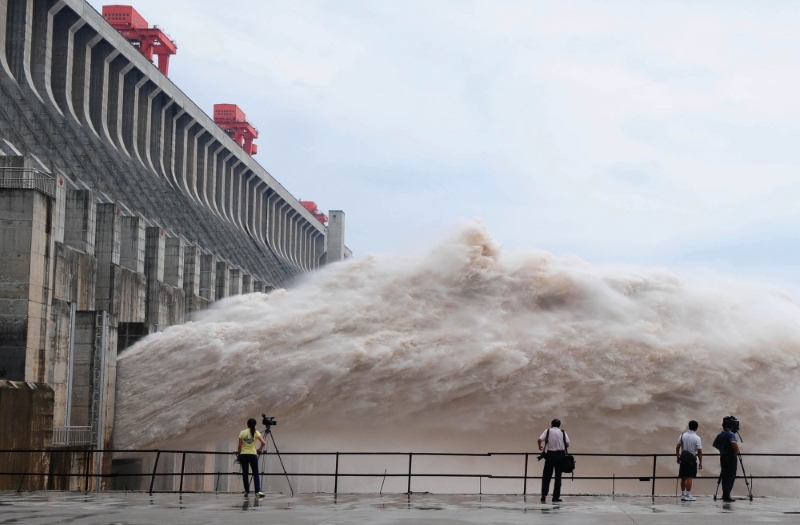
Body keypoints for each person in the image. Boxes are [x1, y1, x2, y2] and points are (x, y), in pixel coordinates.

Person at [537, 418, 570, 503]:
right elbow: (567, 444)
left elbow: (539, 439)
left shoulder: (548, 431)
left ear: (551, 424)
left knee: (546, 476)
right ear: (559, 425)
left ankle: (543, 495)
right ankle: (555, 497)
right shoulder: (563, 432)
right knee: (558, 477)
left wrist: (540, 446)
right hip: (560, 456)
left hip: (550, 455)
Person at [237, 418, 267, 497]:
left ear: (247, 424)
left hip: (243, 454)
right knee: (255, 473)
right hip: (253, 454)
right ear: (255, 425)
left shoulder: (242, 432)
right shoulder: (256, 432)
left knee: (245, 473)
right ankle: (257, 491)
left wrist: (239, 454)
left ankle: (246, 491)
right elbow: (263, 443)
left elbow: (240, 446)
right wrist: (259, 449)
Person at [712, 418, 740, 502]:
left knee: (724, 476)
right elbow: (734, 443)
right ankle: (727, 495)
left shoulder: (720, 435)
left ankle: (725, 494)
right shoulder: (731, 434)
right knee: (730, 476)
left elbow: (715, 444)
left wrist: (722, 449)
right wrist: (736, 451)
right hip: (730, 457)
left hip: (723, 457)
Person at [675, 420, 703, 501]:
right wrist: (701, 462)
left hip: (683, 458)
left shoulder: (682, 435)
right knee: (689, 477)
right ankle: (688, 494)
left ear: (689, 426)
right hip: (691, 459)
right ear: (696, 428)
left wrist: (678, 457)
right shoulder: (697, 438)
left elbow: (677, 447)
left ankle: (683, 494)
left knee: (683, 477)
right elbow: (699, 451)